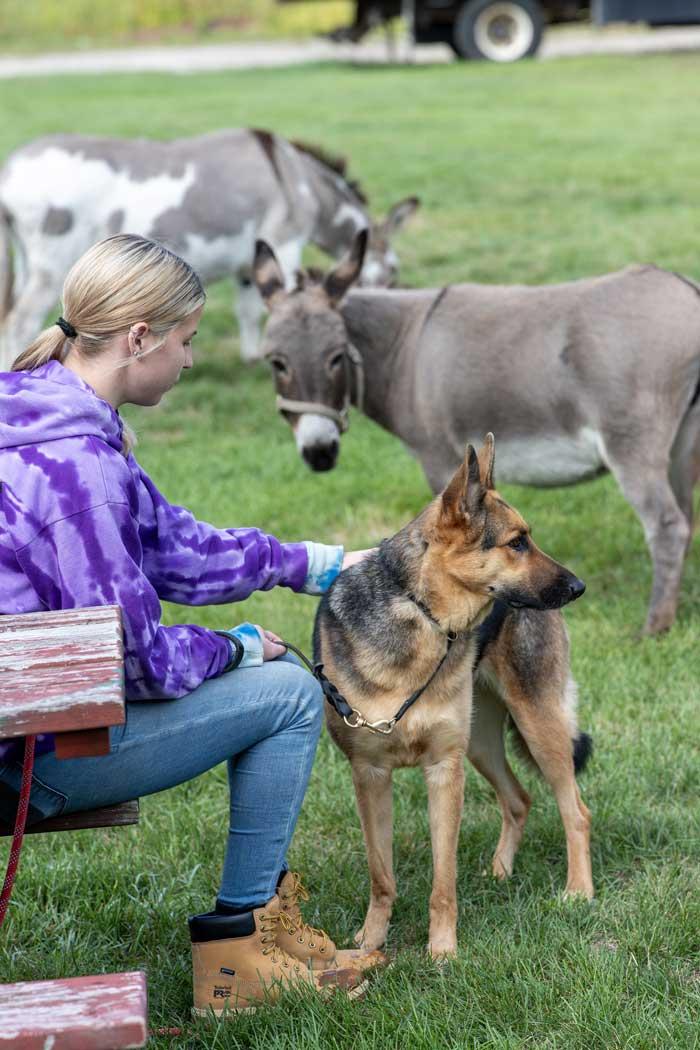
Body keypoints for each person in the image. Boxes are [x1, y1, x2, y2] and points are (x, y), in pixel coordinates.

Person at [0, 234, 383, 1016]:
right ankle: (239, 959)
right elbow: (137, 663)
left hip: (22, 718)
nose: (191, 360)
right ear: (139, 337)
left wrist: (314, 565)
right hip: (22, 755)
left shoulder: (34, 407)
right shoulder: (84, 469)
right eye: (186, 340)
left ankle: (252, 941)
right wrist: (235, 647)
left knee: (273, 675)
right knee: (288, 693)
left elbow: (173, 547)